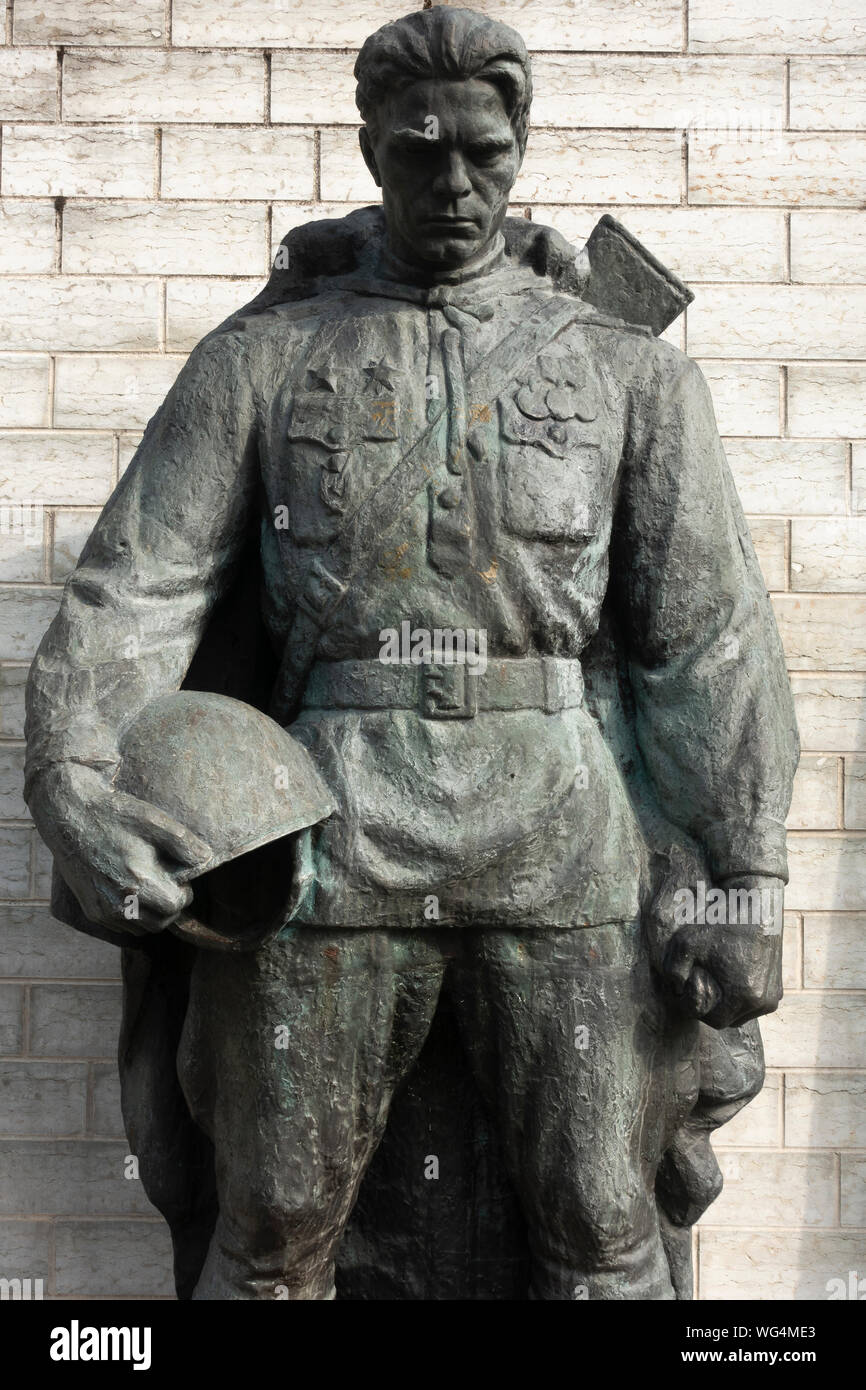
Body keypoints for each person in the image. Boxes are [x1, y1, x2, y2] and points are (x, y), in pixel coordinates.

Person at [25, 6, 798, 1300]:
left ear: (518, 148)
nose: (452, 184)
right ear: (373, 147)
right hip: (331, 840)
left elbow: (707, 643)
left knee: (603, 1230)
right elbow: (134, 590)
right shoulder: (258, 365)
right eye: (418, 152)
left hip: (558, 841)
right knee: (269, 1231)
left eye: (482, 156)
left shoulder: (626, 378)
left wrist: (744, 875)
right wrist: (71, 782)